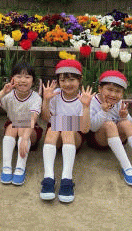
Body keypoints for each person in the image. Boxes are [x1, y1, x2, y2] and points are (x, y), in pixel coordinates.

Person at [39, 60, 93, 203]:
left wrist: (86, 107)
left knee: (66, 129)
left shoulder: (84, 98)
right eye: (63, 80)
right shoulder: (55, 95)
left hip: (74, 138)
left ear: (80, 79)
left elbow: (85, 129)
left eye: (71, 80)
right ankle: (48, 178)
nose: (67, 84)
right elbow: (46, 119)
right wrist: (46, 101)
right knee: (53, 128)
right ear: (58, 81)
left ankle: (66, 179)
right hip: (55, 138)